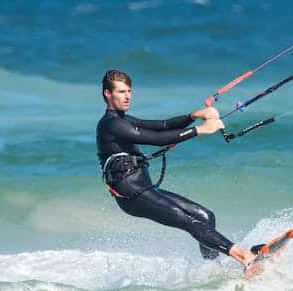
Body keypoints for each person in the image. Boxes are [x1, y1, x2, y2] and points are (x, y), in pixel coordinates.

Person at [95, 69, 259, 269]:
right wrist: (201, 129)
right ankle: (244, 256)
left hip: (144, 189)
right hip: (132, 194)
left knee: (205, 217)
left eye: (129, 91)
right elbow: (156, 140)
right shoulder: (110, 124)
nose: (127, 96)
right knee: (191, 222)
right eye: (121, 92)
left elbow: (163, 125)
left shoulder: (125, 120)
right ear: (107, 94)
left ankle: (213, 268)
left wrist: (195, 115)